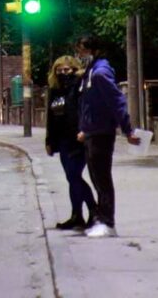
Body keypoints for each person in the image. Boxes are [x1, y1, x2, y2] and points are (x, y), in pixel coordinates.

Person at [75, 36, 139, 238]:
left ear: (93, 50)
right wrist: (85, 128)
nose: (80, 54)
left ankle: (108, 222)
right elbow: (89, 105)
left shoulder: (100, 73)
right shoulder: (92, 72)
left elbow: (116, 101)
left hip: (102, 133)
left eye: (82, 50)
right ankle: (102, 219)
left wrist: (127, 129)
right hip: (93, 131)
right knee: (96, 177)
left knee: (102, 179)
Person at [45, 55, 96, 230]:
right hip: (62, 140)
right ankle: (77, 215)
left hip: (78, 138)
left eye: (66, 70)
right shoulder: (54, 90)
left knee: (74, 175)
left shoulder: (80, 87)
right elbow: (50, 117)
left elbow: (86, 110)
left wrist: (85, 130)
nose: (62, 73)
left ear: (75, 69)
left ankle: (94, 210)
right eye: (59, 70)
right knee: (70, 177)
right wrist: (49, 140)